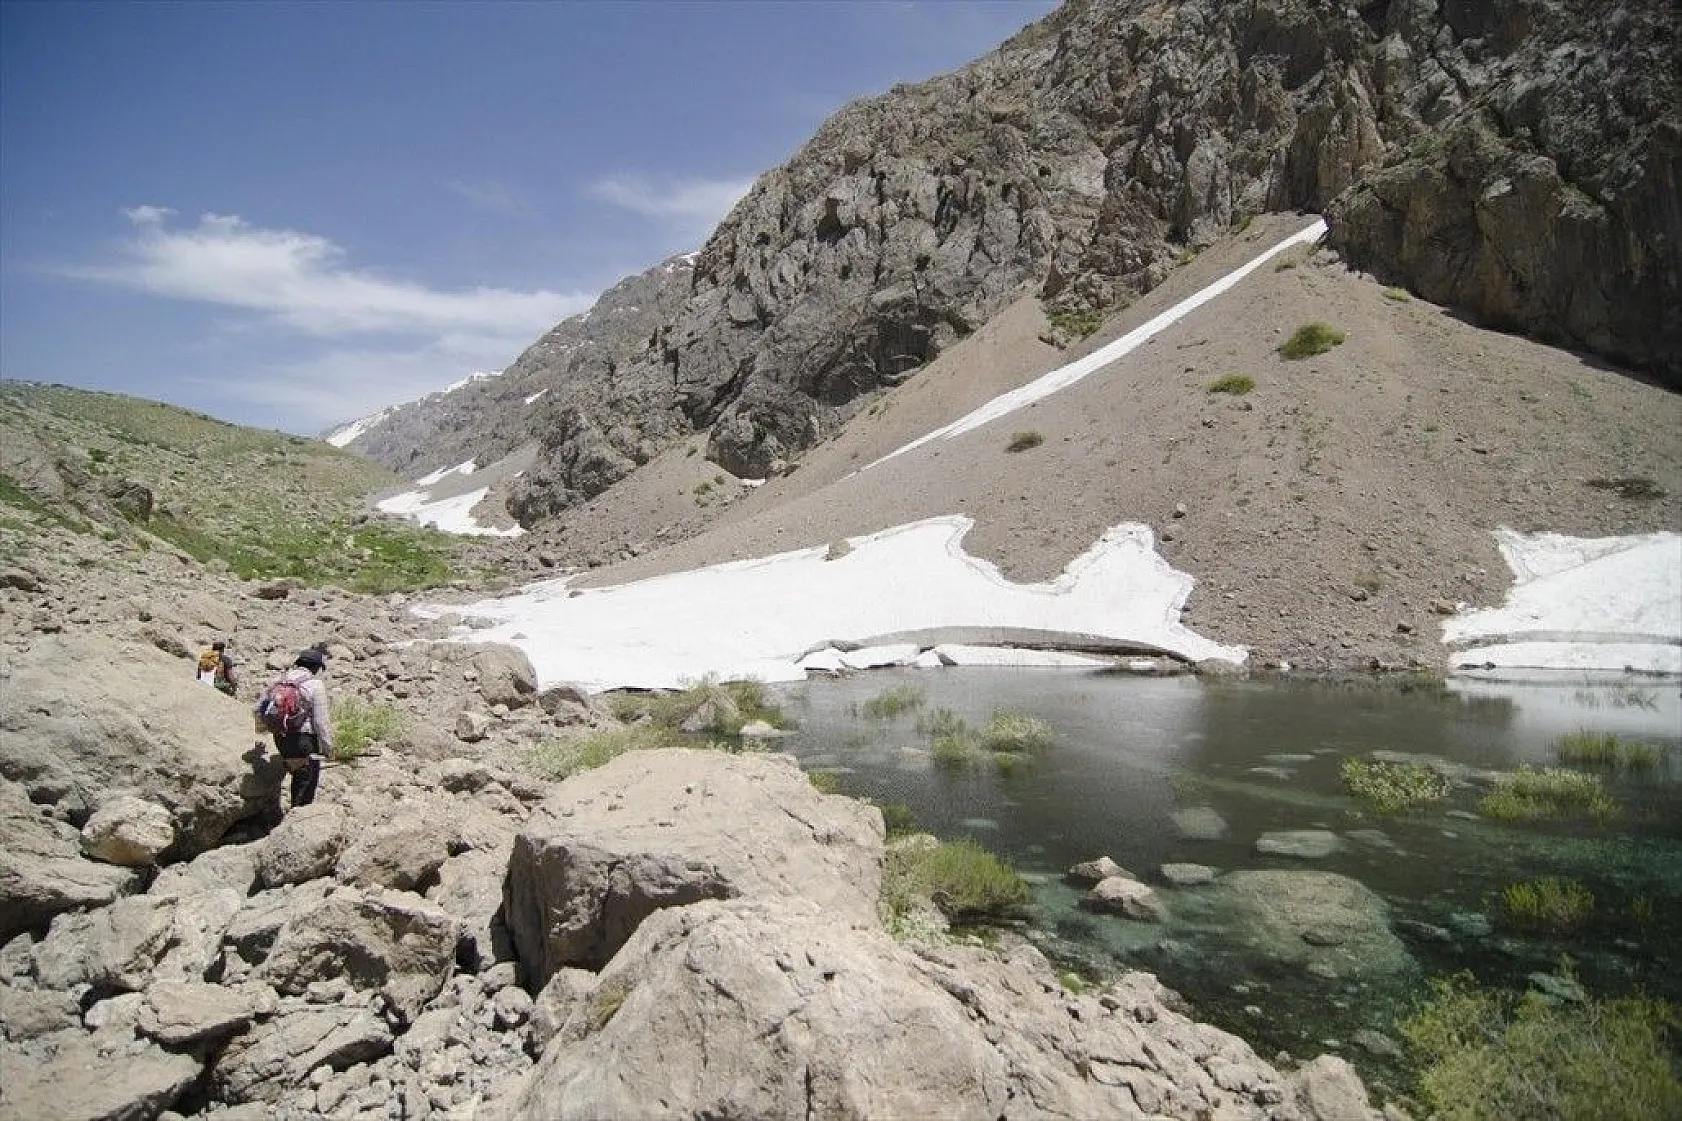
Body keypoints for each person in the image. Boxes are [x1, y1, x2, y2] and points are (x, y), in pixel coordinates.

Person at [259, 647, 334, 808]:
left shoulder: (279, 680)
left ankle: (291, 813)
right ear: (316, 667)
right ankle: (297, 819)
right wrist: (328, 748)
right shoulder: (315, 685)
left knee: (298, 775)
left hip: (281, 738)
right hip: (303, 741)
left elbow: (260, 707)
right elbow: (321, 722)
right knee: (306, 783)